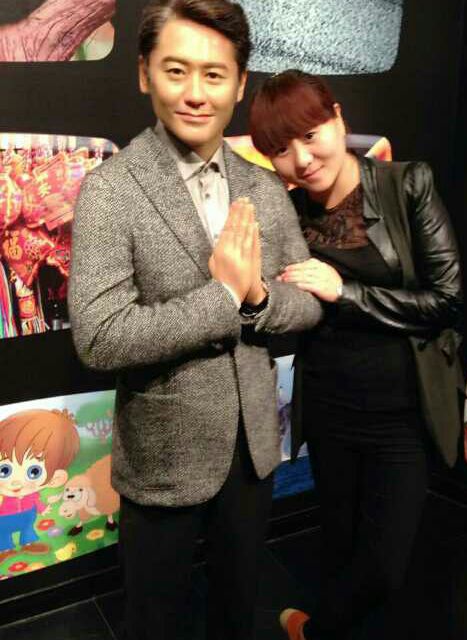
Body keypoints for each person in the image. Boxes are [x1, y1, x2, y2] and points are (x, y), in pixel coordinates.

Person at [68, 3, 322, 639]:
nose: (195, 93)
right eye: (176, 70)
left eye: (214, 75)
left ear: (239, 84)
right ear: (144, 74)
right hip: (163, 455)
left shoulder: (264, 188)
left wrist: (257, 297)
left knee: (238, 610)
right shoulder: (111, 189)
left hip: (252, 450)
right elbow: (100, 337)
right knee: (154, 621)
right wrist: (223, 295)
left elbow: (307, 304)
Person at [249, 70, 463, 640]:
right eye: (281, 150)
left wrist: (344, 291)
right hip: (329, 405)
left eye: (310, 135)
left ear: (338, 119)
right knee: (339, 543)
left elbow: (446, 300)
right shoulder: (288, 213)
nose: (302, 159)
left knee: (385, 566)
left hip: (402, 413)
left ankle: (310, 631)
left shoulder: (406, 185)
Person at [0, 409, 80, 564]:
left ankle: (28, 543)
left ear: (56, 478)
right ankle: (5, 549)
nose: (16, 482)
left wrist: (42, 509)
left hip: (27, 515)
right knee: (3, 532)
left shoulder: (32, 494)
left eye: (34, 472)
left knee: (27, 529)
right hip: (5, 517)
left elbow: (36, 500)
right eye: (4, 470)